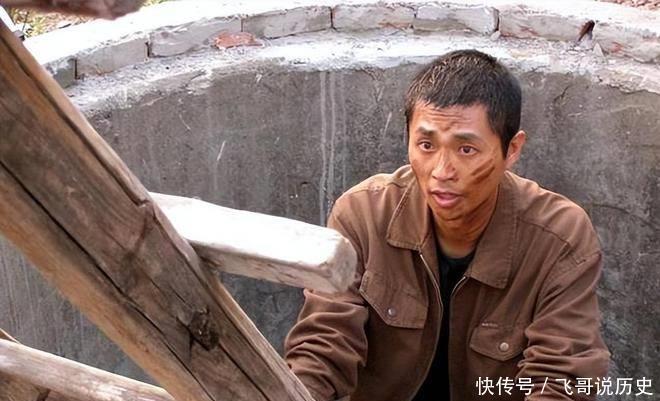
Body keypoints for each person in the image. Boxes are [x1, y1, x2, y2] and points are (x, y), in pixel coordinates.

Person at [284, 49, 610, 401]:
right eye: (426, 145)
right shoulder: (363, 214)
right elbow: (323, 345)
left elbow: (560, 381)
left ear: (512, 149)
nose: (441, 172)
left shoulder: (560, 239)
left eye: (466, 149)